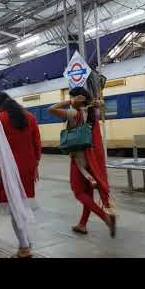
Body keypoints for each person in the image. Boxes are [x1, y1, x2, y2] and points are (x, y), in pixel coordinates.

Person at [48, 86, 116, 238]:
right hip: (92, 157)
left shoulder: (73, 113)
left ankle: (105, 217)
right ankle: (82, 225)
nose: (71, 100)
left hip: (79, 158)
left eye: (73, 97)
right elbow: (101, 106)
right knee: (88, 192)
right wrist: (92, 102)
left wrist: (68, 101)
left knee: (78, 192)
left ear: (78, 99)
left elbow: (50, 109)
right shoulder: (92, 112)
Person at [0, 92, 42, 258]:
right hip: (28, 167)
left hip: (8, 170)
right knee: (21, 204)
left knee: (15, 207)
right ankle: (26, 241)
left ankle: (24, 248)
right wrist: (35, 164)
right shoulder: (29, 117)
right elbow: (37, 143)